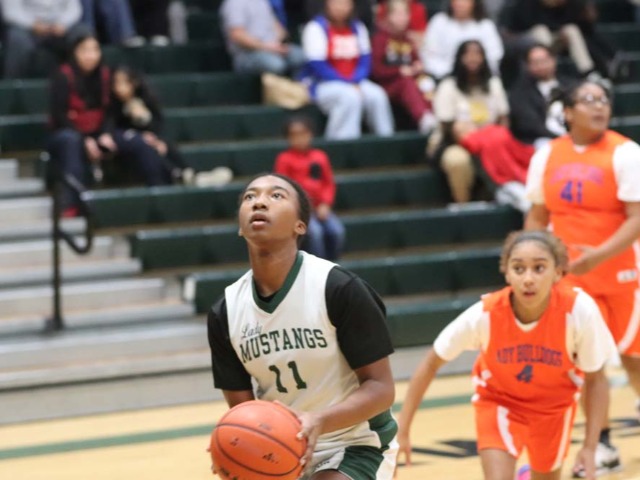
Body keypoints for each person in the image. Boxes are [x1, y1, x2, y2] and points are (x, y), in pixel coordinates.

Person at [207, 173, 397, 479]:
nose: (259, 202)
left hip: (355, 442)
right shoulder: (225, 311)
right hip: (280, 447)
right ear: (241, 227)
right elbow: (241, 411)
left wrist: (318, 421)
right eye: (250, 197)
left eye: (276, 196)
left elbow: (381, 389)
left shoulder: (338, 288)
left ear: (300, 226)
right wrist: (233, 442)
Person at [397, 230, 615, 480]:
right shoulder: (485, 314)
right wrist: (402, 429)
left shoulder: (579, 311)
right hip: (500, 404)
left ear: (558, 272)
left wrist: (590, 447)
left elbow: (596, 379)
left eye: (539, 268)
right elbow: (431, 362)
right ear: (507, 273)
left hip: (554, 409)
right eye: (518, 269)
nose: (528, 279)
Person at [525, 80, 640, 477]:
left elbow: (637, 218)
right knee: (589, 361)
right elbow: (537, 216)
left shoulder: (625, 152)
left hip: (622, 273)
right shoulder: (546, 156)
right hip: (571, 278)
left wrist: (599, 256)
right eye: (588, 99)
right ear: (568, 112)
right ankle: (602, 443)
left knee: (633, 357)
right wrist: (533, 262)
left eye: (604, 99)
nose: (599, 106)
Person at [428, 40, 509, 203]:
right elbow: (447, 126)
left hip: (490, 142)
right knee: (458, 161)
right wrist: (474, 139)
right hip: (453, 143)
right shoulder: (448, 86)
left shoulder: (494, 84)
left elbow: (503, 119)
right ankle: (463, 204)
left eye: (477, 54)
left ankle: (498, 200)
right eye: (468, 54)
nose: (473, 58)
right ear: (459, 58)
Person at [301, 0, 394, 139]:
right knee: (350, 97)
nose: (341, 8)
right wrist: (348, 83)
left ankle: (386, 139)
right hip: (322, 84)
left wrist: (355, 80)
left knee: (377, 95)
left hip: (356, 81)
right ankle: (343, 143)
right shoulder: (315, 27)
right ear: (327, 4)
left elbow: (365, 61)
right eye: (336, 3)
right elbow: (317, 65)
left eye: (345, 3)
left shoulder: (358, 27)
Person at [274, 116, 345, 261]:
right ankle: (317, 265)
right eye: (294, 135)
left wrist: (325, 204)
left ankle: (333, 263)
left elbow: (328, 183)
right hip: (300, 211)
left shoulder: (320, 156)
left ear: (311, 134)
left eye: (303, 134)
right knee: (315, 233)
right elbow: (283, 188)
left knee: (337, 231)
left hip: (320, 207)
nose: (300, 139)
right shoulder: (284, 159)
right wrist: (301, 209)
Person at [371, 0, 436, 134]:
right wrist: (398, 71)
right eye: (397, 14)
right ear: (388, 16)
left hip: (408, 81)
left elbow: (415, 60)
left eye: (404, 14)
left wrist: (418, 67)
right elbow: (376, 70)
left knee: (426, 81)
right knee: (406, 82)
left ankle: (434, 115)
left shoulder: (407, 39)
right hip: (387, 85)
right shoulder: (380, 39)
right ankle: (423, 118)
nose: (401, 18)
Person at [421, 0, 504, 80]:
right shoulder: (439, 22)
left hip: (480, 79)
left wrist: (473, 71)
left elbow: (494, 56)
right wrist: (450, 73)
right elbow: (429, 54)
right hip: (443, 77)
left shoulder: (486, 26)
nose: (460, 4)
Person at [219, 0, 306, 75]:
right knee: (275, 65)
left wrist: (280, 43)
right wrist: (267, 47)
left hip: (273, 48)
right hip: (247, 54)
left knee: (302, 57)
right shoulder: (234, 3)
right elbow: (237, 35)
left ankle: (299, 88)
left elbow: (275, 24)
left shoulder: (262, 1)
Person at [1, 0, 83, 78]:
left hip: (60, 27)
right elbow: (10, 12)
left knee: (81, 34)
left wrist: (63, 23)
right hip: (26, 28)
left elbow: (74, 9)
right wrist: (32, 24)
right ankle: (14, 85)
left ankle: (80, 83)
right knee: (17, 39)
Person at [508, 43, 569, 149]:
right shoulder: (520, 93)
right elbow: (530, 125)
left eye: (544, 61)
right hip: (542, 139)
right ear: (527, 66)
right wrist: (562, 138)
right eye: (535, 62)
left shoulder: (572, 85)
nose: (541, 66)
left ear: (553, 60)